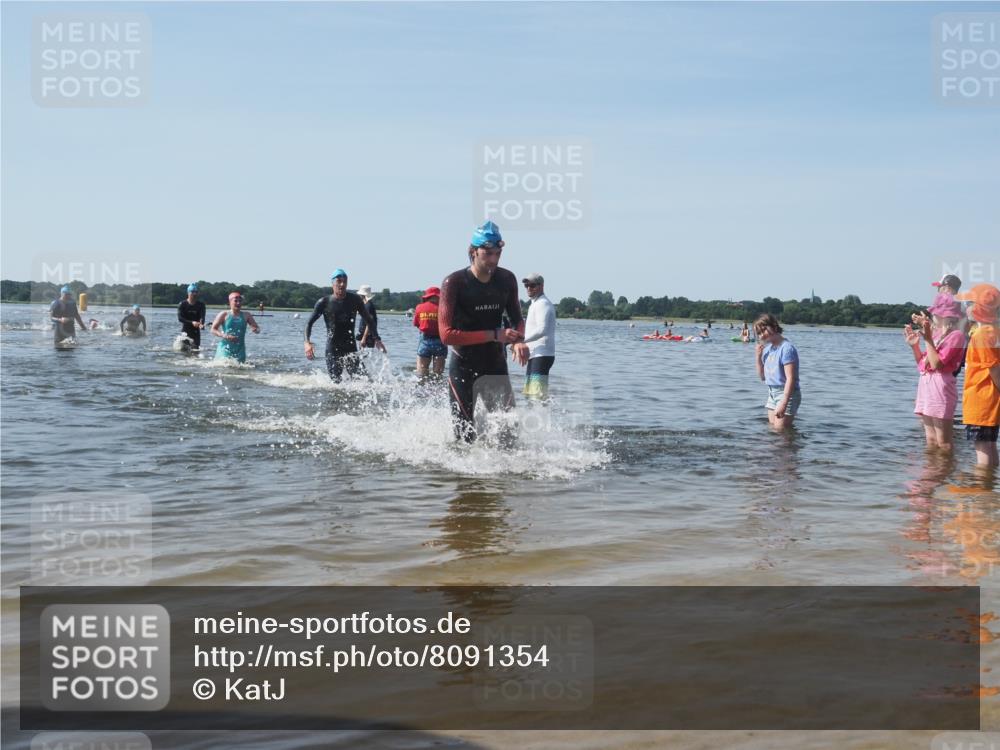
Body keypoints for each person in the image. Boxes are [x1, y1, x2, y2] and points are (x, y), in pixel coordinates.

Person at [439, 220, 527, 443]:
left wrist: (518, 340)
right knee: (464, 437)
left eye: (498, 253)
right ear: (473, 252)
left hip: (494, 363)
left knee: (509, 434)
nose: (494, 260)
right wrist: (495, 335)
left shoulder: (507, 279)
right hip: (463, 365)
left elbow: (517, 319)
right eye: (488, 254)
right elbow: (446, 335)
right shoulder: (454, 283)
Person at [903, 296, 966, 451]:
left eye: (935, 313)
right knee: (930, 439)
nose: (932, 316)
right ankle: (933, 472)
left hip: (941, 387)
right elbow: (923, 365)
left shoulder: (956, 335)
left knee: (943, 441)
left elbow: (937, 364)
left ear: (945, 315)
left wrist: (927, 338)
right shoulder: (936, 334)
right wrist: (915, 347)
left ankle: (944, 472)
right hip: (926, 384)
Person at [304, 269, 385, 381]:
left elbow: (369, 320)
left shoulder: (355, 300)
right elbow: (309, 323)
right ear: (333, 283)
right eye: (339, 281)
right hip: (332, 349)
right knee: (336, 383)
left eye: (345, 281)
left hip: (350, 348)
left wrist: (377, 339)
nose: (342, 284)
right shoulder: (324, 302)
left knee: (363, 381)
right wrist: (307, 342)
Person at [954, 284, 1000, 467]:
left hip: (982, 400)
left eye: (969, 303)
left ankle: (983, 490)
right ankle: (989, 488)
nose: (966, 308)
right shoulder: (991, 331)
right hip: (988, 401)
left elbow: (995, 370)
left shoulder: (982, 334)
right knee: (989, 446)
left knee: (983, 448)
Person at [754, 313, 801, 430]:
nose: (761, 336)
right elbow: (763, 377)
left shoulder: (787, 349)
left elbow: (791, 378)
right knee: (774, 431)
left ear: (774, 327)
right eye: (759, 333)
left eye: (763, 331)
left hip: (786, 394)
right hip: (772, 393)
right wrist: (758, 357)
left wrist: (784, 403)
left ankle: (790, 447)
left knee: (780, 431)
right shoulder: (768, 350)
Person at [521, 273, 556, 400]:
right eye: (526, 285)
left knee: (537, 396)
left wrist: (521, 340)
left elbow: (542, 329)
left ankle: (544, 419)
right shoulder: (534, 303)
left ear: (541, 286)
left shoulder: (543, 304)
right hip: (535, 355)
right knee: (530, 395)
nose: (529, 288)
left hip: (542, 355)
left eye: (532, 285)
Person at [211, 291, 260, 363]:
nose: (238, 303)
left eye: (240, 301)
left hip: (240, 349)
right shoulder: (224, 314)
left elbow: (258, 329)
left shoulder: (247, 315)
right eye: (236, 301)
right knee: (223, 368)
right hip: (225, 348)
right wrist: (225, 335)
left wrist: (255, 329)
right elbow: (213, 329)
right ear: (230, 302)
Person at [413, 286, 447, 379]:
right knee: (438, 375)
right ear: (438, 296)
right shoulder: (444, 309)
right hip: (440, 341)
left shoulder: (419, 307)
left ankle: (421, 392)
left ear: (427, 296)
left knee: (421, 374)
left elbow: (416, 324)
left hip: (425, 341)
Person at [177, 283, 206, 351]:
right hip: (185, 332)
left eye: (196, 292)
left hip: (196, 332)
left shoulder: (201, 305)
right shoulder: (182, 304)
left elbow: (202, 316)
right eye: (192, 292)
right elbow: (180, 318)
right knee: (184, 351)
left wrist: (201, 323)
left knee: (195, 350)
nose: (194, 294)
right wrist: (192, 322)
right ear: (188, 293)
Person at [356, 285, 379, 349]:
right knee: (362, 356)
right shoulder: (366, 305)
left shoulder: (368, 306)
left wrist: (364, 337)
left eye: (360, 294)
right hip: (366, 335)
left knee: (363, 356)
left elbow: (369, 323)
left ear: (362, 295)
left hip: (367, 336)